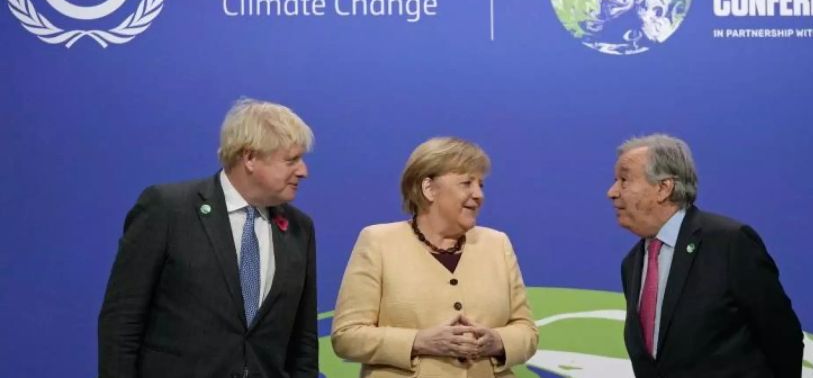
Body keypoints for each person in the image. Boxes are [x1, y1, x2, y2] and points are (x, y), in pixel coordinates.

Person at [98, 98, 319, 378]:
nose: (303, 171)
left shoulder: (300, 229)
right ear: (250, 158)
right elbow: (122, 320)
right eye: (291, 160)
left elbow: (304, 342)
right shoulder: (168, 209)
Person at [331, 137, 538, 377]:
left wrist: (498, 342)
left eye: (481, 184)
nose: (478, 194)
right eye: (466, 183)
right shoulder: (379, 242)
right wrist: (419, 341)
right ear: (428, 188)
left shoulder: (497, 244)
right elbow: (347, 336)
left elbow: (527, 331)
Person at [607, 133, 804, 378]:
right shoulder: (633, 263)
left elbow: (783, 338)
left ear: (663, 188)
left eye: (624, 180)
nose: (612, 192)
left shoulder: (730, 243)